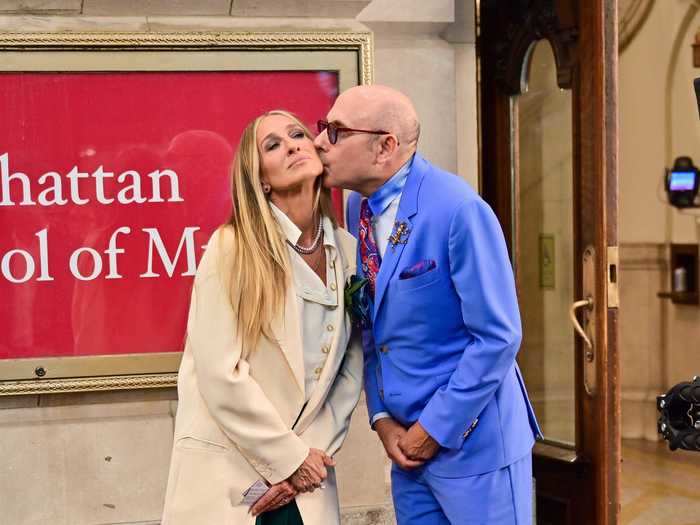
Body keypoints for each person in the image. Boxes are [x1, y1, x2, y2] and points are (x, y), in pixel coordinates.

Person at [314, 85, 542, 524]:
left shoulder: (459, 210)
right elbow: (373, 325)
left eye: (337, 131)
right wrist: (381, 416)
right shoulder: (357, 205)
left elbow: (498, 337)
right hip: (406, 451)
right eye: (325, 128)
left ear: (385, 147)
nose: (321, 141)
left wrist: (432, 430)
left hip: (475, 449)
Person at [161, 110, 363, 525]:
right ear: (262, 178)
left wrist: (308, 460)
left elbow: (349, 367)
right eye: (273, 145)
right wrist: (286, 459)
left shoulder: (347, 249)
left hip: (308, 481)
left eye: (298, 135)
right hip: (234, 480)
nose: (292, 145)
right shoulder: (232, 247)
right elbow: (219, 373)